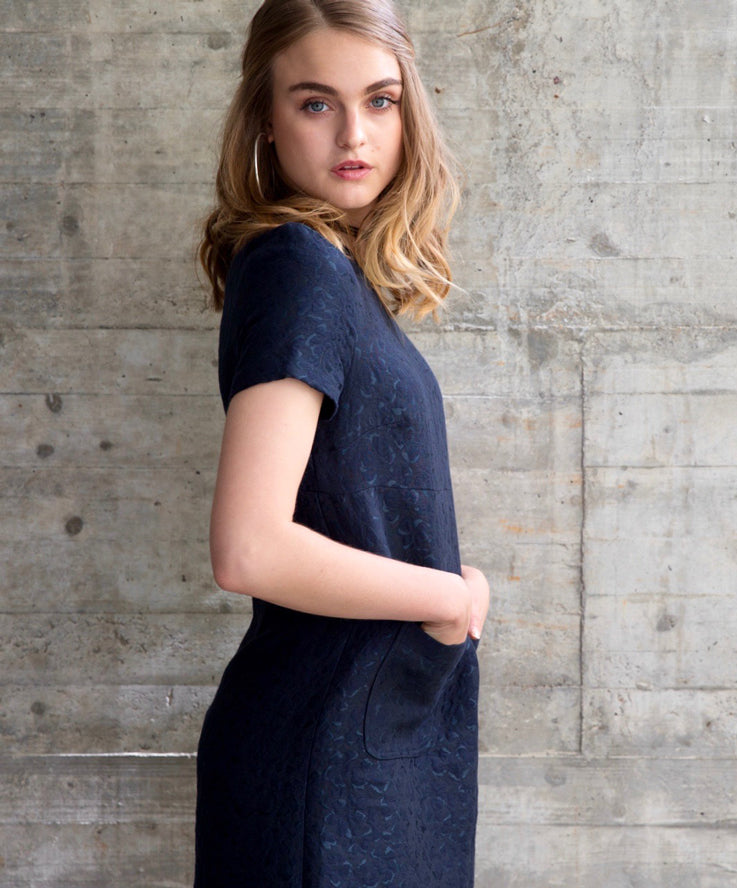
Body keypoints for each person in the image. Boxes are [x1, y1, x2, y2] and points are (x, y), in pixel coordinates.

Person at [193, 1, 490, 885]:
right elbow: (249, 547)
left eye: (381, 101)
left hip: (362, 736)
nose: (354, 134)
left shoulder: (329, 270)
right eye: (316, 103)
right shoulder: (299, 266)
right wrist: (450, 595)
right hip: (331, 752)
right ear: (266, 119)